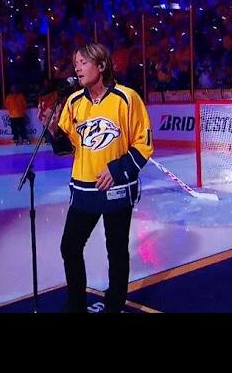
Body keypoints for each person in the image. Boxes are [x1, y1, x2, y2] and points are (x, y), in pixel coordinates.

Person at [40, 43, 154, 313]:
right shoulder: (73, 102)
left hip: (117, 188)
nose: (77, 67)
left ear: (101, 66)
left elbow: (145, 143)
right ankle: (77, 304)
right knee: (70, 246)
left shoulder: (127, 98)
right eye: (75, 62)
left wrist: (117, 169)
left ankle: (114, 304)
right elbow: (68, 146)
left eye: (83, 62)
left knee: (116, 249)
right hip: (83, 189)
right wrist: (53, 132)